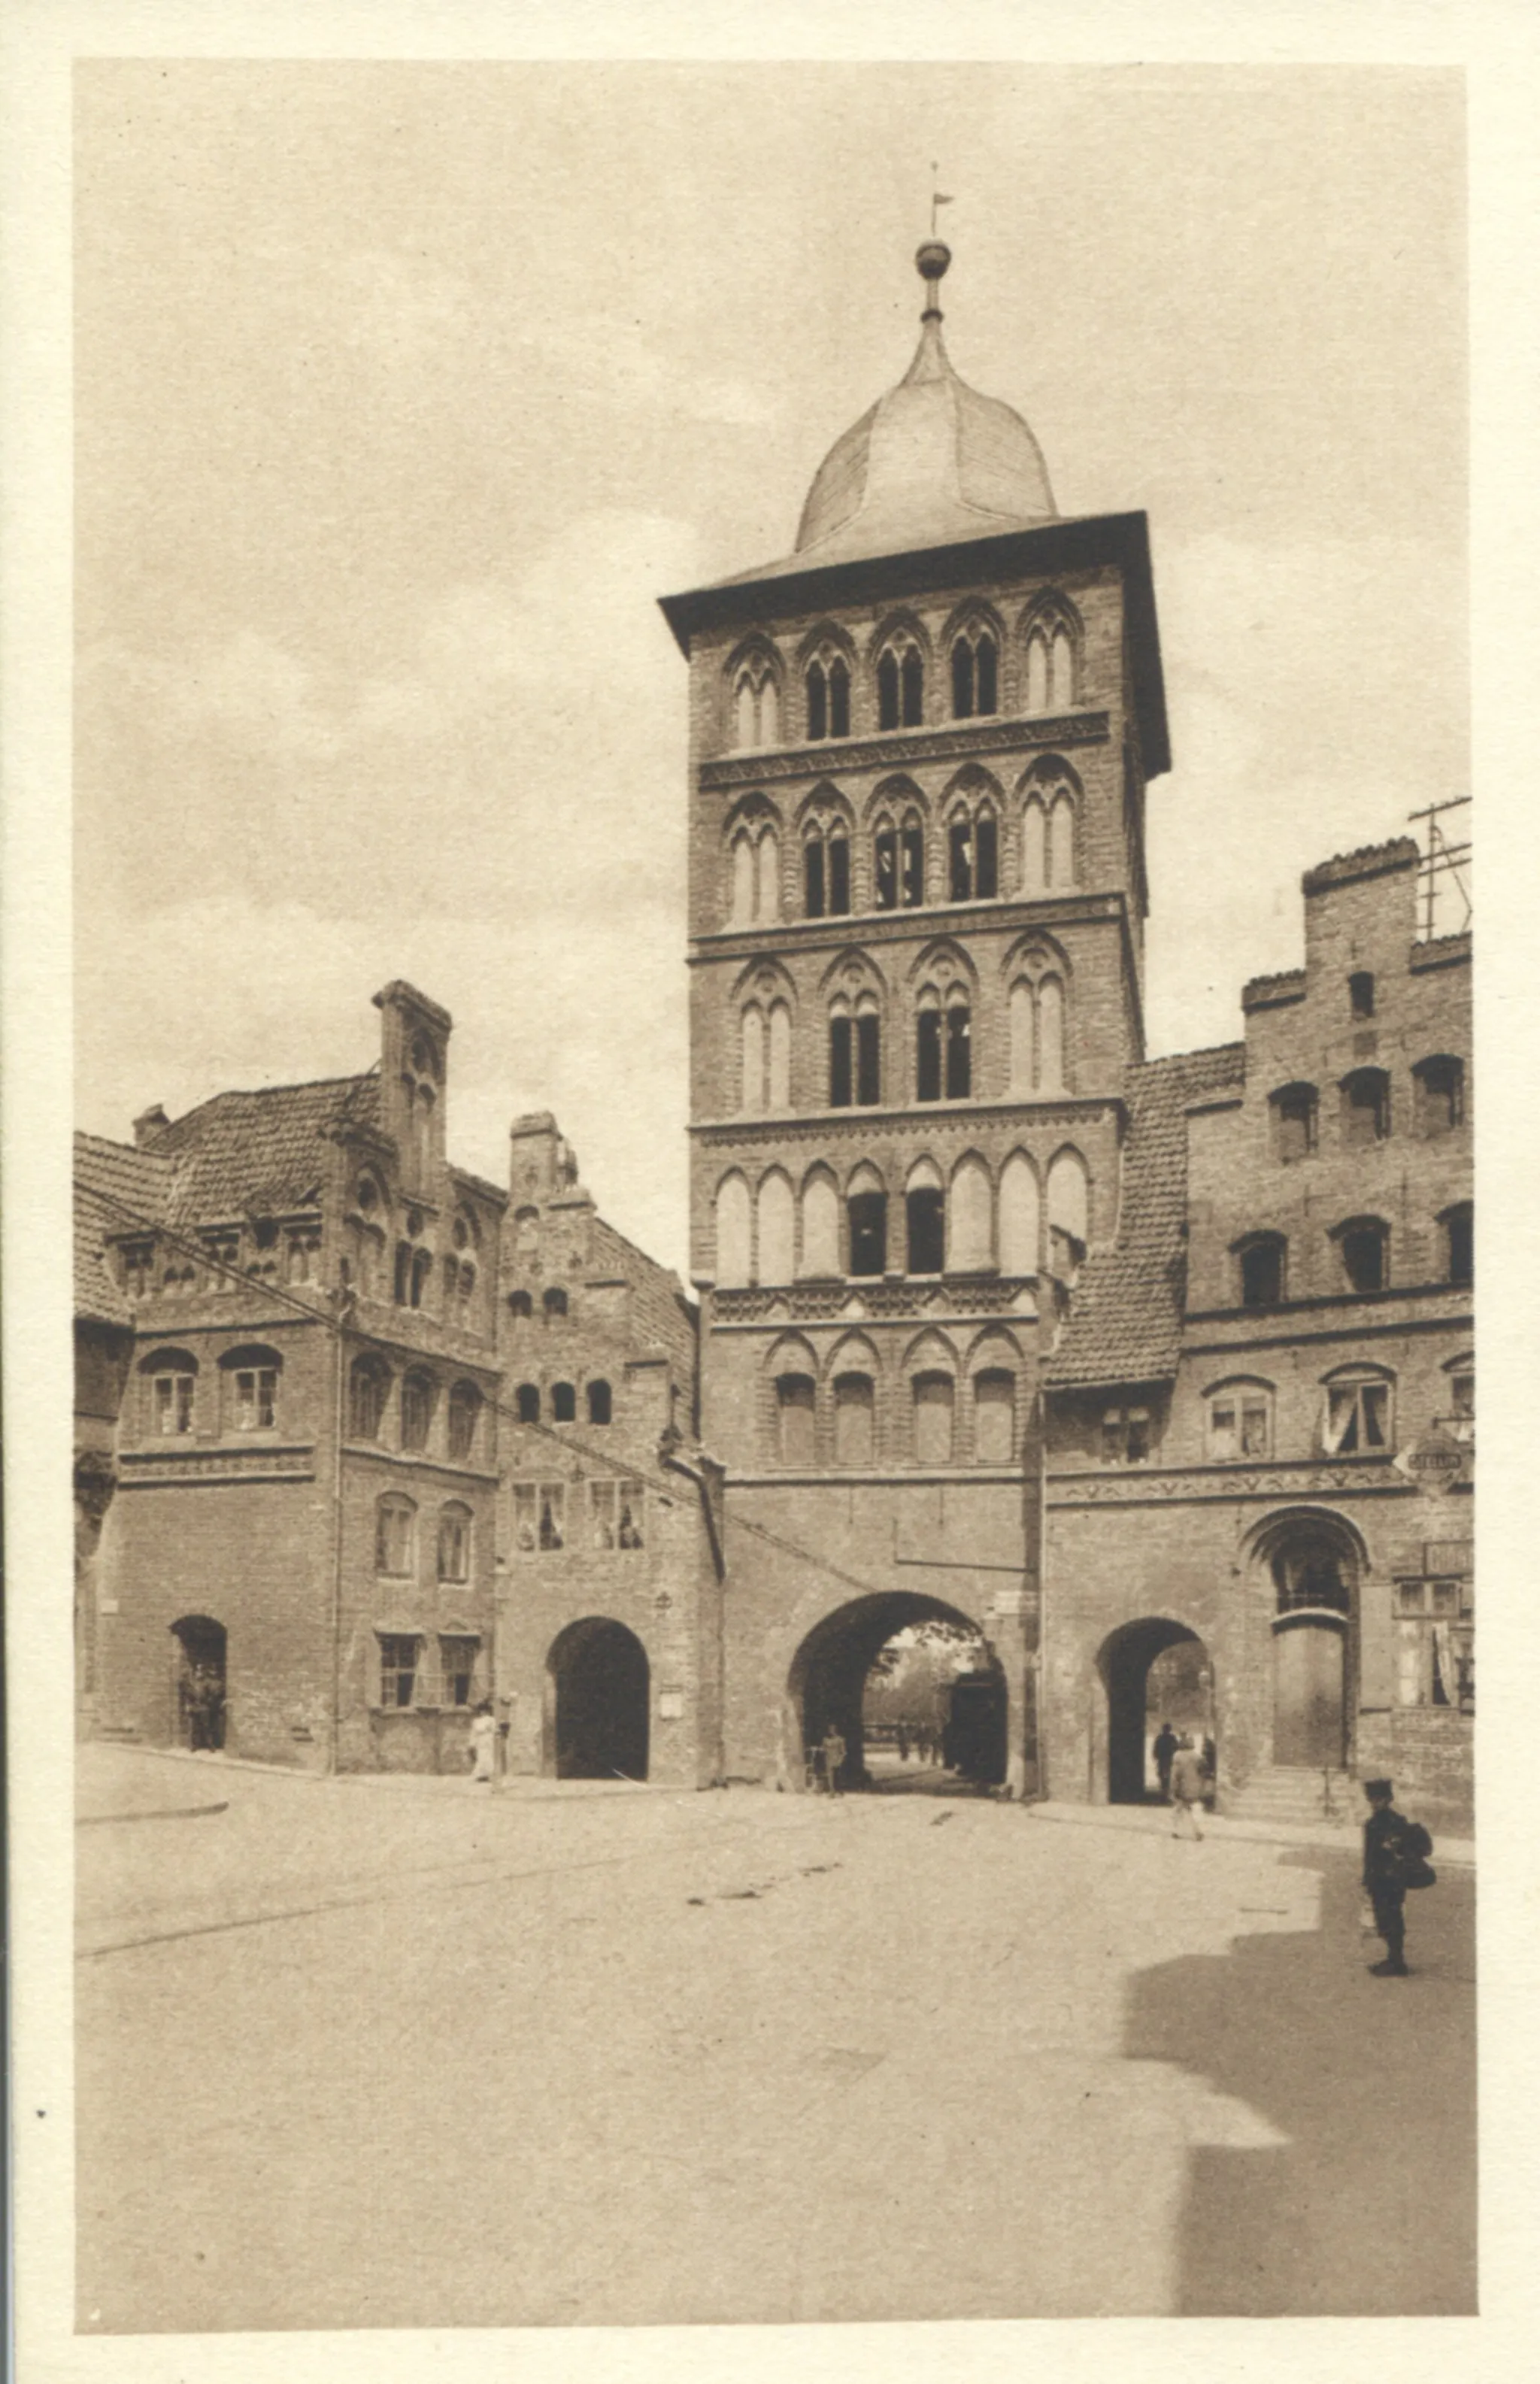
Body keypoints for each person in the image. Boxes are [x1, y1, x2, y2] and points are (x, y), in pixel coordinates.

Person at [1361, 1778, 1432, 1976]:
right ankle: (1394, 1959)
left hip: (1388, 1879)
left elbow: (1380, 1854)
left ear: (1388, 1799)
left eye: (1379, 1799)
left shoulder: (1386, 1823)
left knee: (1389, 1919)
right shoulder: (1383, 1822)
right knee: (1388, 1918)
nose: (1375, 1803)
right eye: (1372, 1799)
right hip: (1387, 1879)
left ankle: (1396, 1962)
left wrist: (1371, 1876)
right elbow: (1369, 1855)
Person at [1169, 1734, 1205, 1839]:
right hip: (1195, 1786)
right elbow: (1203, 1773)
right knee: (1196, 1809)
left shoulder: (1178, 1756)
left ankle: (1176, 1831)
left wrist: (1172, 1788)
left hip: (1182, 1786)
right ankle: (1199, 1831)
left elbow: (1174, 1774)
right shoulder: (1198, 1757)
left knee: (1178, 1809)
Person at [468, 1700, 498, 1785]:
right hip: (480, 1740)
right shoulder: (477, 1721)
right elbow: (474, 1732)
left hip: (488, 1739)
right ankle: (480, 1775)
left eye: (485, 1710)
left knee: (488, 1756)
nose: (483, 1712)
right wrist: (472, 1743)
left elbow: (494, 1730)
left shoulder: (491, 1720)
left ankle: (489, 1774)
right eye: (482, 1710)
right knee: (480, 1756)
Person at [1153, 1718, 1179, 1800]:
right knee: (1169, 1775)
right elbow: (1176, 1748)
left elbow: (1156, 1749)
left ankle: (1163, 1789)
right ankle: (1167, 1790)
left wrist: (1156, 1756)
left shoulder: (1159, 1738)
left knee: (1161, 1774)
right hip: (1169, 1759)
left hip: (1162, 1759)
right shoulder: (1172, 1738)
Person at [820, 1723, 847, 1797]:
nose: (831, 1732)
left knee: (838, 1776)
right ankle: (832, 1791)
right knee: (830, 1776)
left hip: (837, 1759)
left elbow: (843, 1752)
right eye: (830, 1730)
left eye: (833, 1730)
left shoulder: (840, 1740)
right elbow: (824, 1749)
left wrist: (841, 1760)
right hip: (829, 1759)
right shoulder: (825, 1740)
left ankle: (839, 1790)